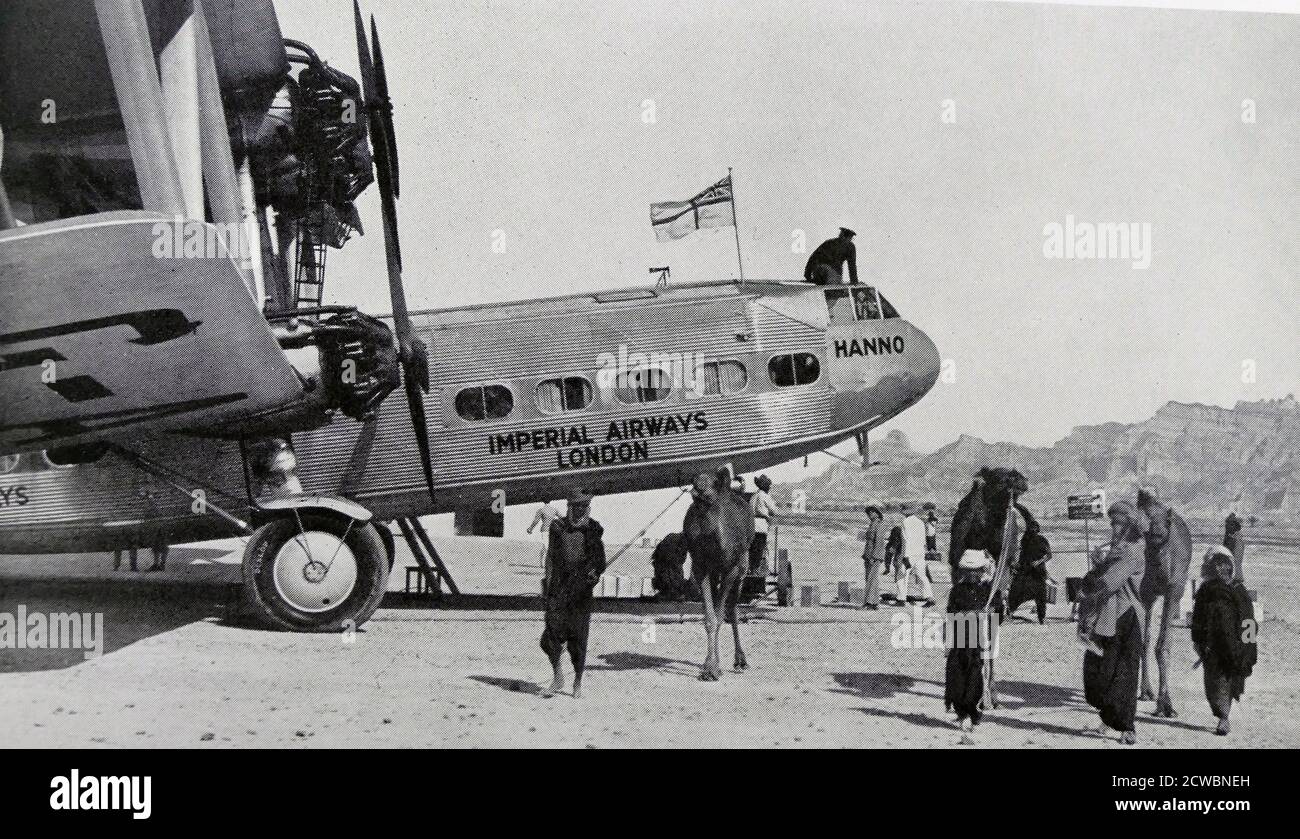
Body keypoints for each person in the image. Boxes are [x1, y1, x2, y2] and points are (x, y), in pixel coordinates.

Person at [1079, 501, 1147, 745]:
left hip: (1128, 617)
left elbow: (1109, 582)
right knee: (1100, 673)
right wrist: (1100, 563)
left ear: (1130, 527)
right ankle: (1109, 719)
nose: (1114, 529)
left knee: (1125, 675)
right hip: (1109, 617)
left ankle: (1128, 728)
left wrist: (1086, 589)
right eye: (1113, 524)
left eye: (1120, 524)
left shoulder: (1132, 551)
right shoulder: (1119, 549)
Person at [540, 489, 607, 699]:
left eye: (583, 506)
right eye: (575, 506)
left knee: (578, 638)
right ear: (569, 506)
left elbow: (600, 560)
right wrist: (548, 586)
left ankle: (577, 681)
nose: (579, 510)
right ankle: (558, 677)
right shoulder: (557, 527)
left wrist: (594, 573)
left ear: (588, 507)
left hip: (581, 591)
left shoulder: (594, 529)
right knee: (550, 636)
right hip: (559, 587)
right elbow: (551, 557)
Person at [1191, 545, 1257, 736]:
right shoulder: (1205, 591)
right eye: (1216, 565)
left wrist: (1249, 646)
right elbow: (1198, 617)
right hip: (1212, 646)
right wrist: (1197, 640)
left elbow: (1248, 619)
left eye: (1224, 565)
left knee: (1227, 681)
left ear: (1231, 566)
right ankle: (1221, 714)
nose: (1221, 569)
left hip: (1235, 646)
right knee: (1213, 684)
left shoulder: (1238, 590)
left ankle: (1224, 719)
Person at [946, 549, 994, 744]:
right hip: (958, 639)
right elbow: (951, 613)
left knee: (974, 678)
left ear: (982, 570)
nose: (972, 574)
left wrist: (991, 610)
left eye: (976, 570)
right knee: (956, 678)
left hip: (978, 641)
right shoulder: (956, 591)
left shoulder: (988, 591)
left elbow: (998, 613)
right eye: (968, 570)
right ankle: (961, 712)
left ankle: (971, 712)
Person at [1008, 519, 1052, 624]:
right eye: (1030, 528)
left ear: (1037, 529)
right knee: (1017, 590)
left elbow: (1049, 555)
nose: (1032, 530)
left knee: (1040, 594)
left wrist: (1039, 561)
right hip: (1025, 569)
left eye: (1034, 528)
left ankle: (1042, 617)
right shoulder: (1025, 540)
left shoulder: (1042, 540)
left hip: (1038, 571)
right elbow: (1021, 554)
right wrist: (1016, 565)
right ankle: (1010, 611)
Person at [897, 502, 935, 607]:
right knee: (922, 576)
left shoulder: (905, 522)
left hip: (909, 553)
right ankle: (929, 597)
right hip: (920, 553)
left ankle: (901, 598)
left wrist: (905, 556)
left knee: (902, 575)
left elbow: (906, 540)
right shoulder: (920, 522)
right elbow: (923, 540)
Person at [748, 475, 778, 576]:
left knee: (751, 549)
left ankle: (750, 569)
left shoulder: (753, 496)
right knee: (759, 549)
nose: (769, 487)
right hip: (761, 526)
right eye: (769, 486)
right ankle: (755, 571)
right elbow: (774, 511)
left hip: (751, 525)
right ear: (765, 486)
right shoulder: (765, 496)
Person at [861, 504, 888, 609]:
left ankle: (871, 603)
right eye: (868, 513)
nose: (870, 515)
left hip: (874, 556)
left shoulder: (879, 525)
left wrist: (874, 557)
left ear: (877, 513)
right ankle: (873, 602)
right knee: (869, 579)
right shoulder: (872, 524)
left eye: (872, 512)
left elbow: (879, 543)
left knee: (872, 579)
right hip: (868, 555)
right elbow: (869, 541)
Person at [526, 499, 562, 568]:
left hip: (546, 530)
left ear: (543, 501)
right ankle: (545, 563)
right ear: (550, 501)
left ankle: (543, 562)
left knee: (546, 546)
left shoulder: (541, 510)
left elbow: (536, 520)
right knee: (547, 547)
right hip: (551, 530)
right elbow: (562, 518)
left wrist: (530, 528)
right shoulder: (554, 509)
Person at [1223, 513, 1246, 587]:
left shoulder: (1232, 526)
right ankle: (1237, 577)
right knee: (1236, 562)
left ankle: (1238, 578)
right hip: (1238, 544)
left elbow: (1231, 536)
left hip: (1238, 544)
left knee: (1237, 561)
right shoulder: (1234, 526)